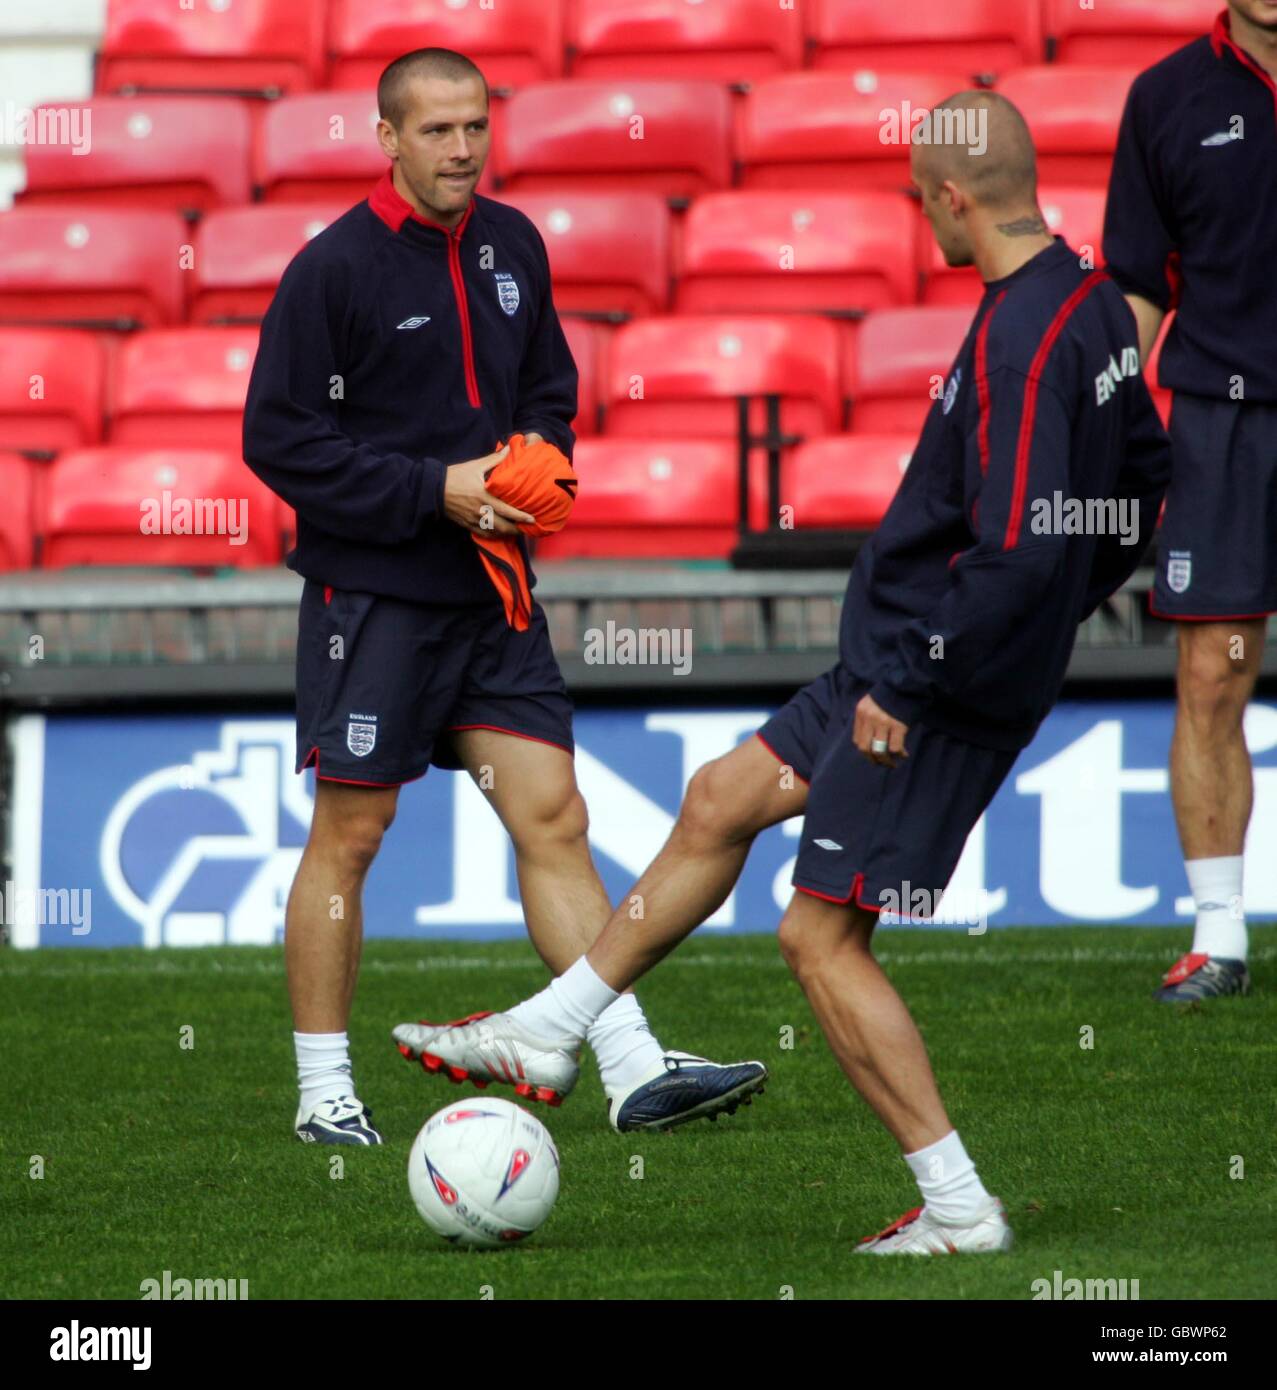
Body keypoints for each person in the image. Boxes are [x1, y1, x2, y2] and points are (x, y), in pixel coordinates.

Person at [397, 92, 1172, 1253]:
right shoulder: (1093, 304)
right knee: (720, 795)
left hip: (923, 684)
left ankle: (957, 1206)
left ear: (953, 196)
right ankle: (553, 1030)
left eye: (923, 201)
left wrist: (912, 684)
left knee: (819, 939)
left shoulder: (1020, 336)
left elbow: (1014, 549)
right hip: (908, 657)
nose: (925, 219)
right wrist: (1040, 605)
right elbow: (1137, 486)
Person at [242, 47, 765, 1145]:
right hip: (376, 597)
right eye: (436, 131)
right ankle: (323, 1091)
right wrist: (434, 491)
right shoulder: (331, 270)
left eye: (475, 126)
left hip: (494, 594)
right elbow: (277, 439)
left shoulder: (513, 245)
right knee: (353, 829)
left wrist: (543, 463)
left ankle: (628, 1067)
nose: (462, 149)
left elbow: (548, 396)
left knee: (553, 815)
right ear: (386, 140)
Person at [1104, 0, 1277, 1002]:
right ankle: (1219, 938)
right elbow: (1136, 285)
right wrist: (1098, 418)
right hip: (1218, 418)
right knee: (1211, 676)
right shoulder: (1163, 97)